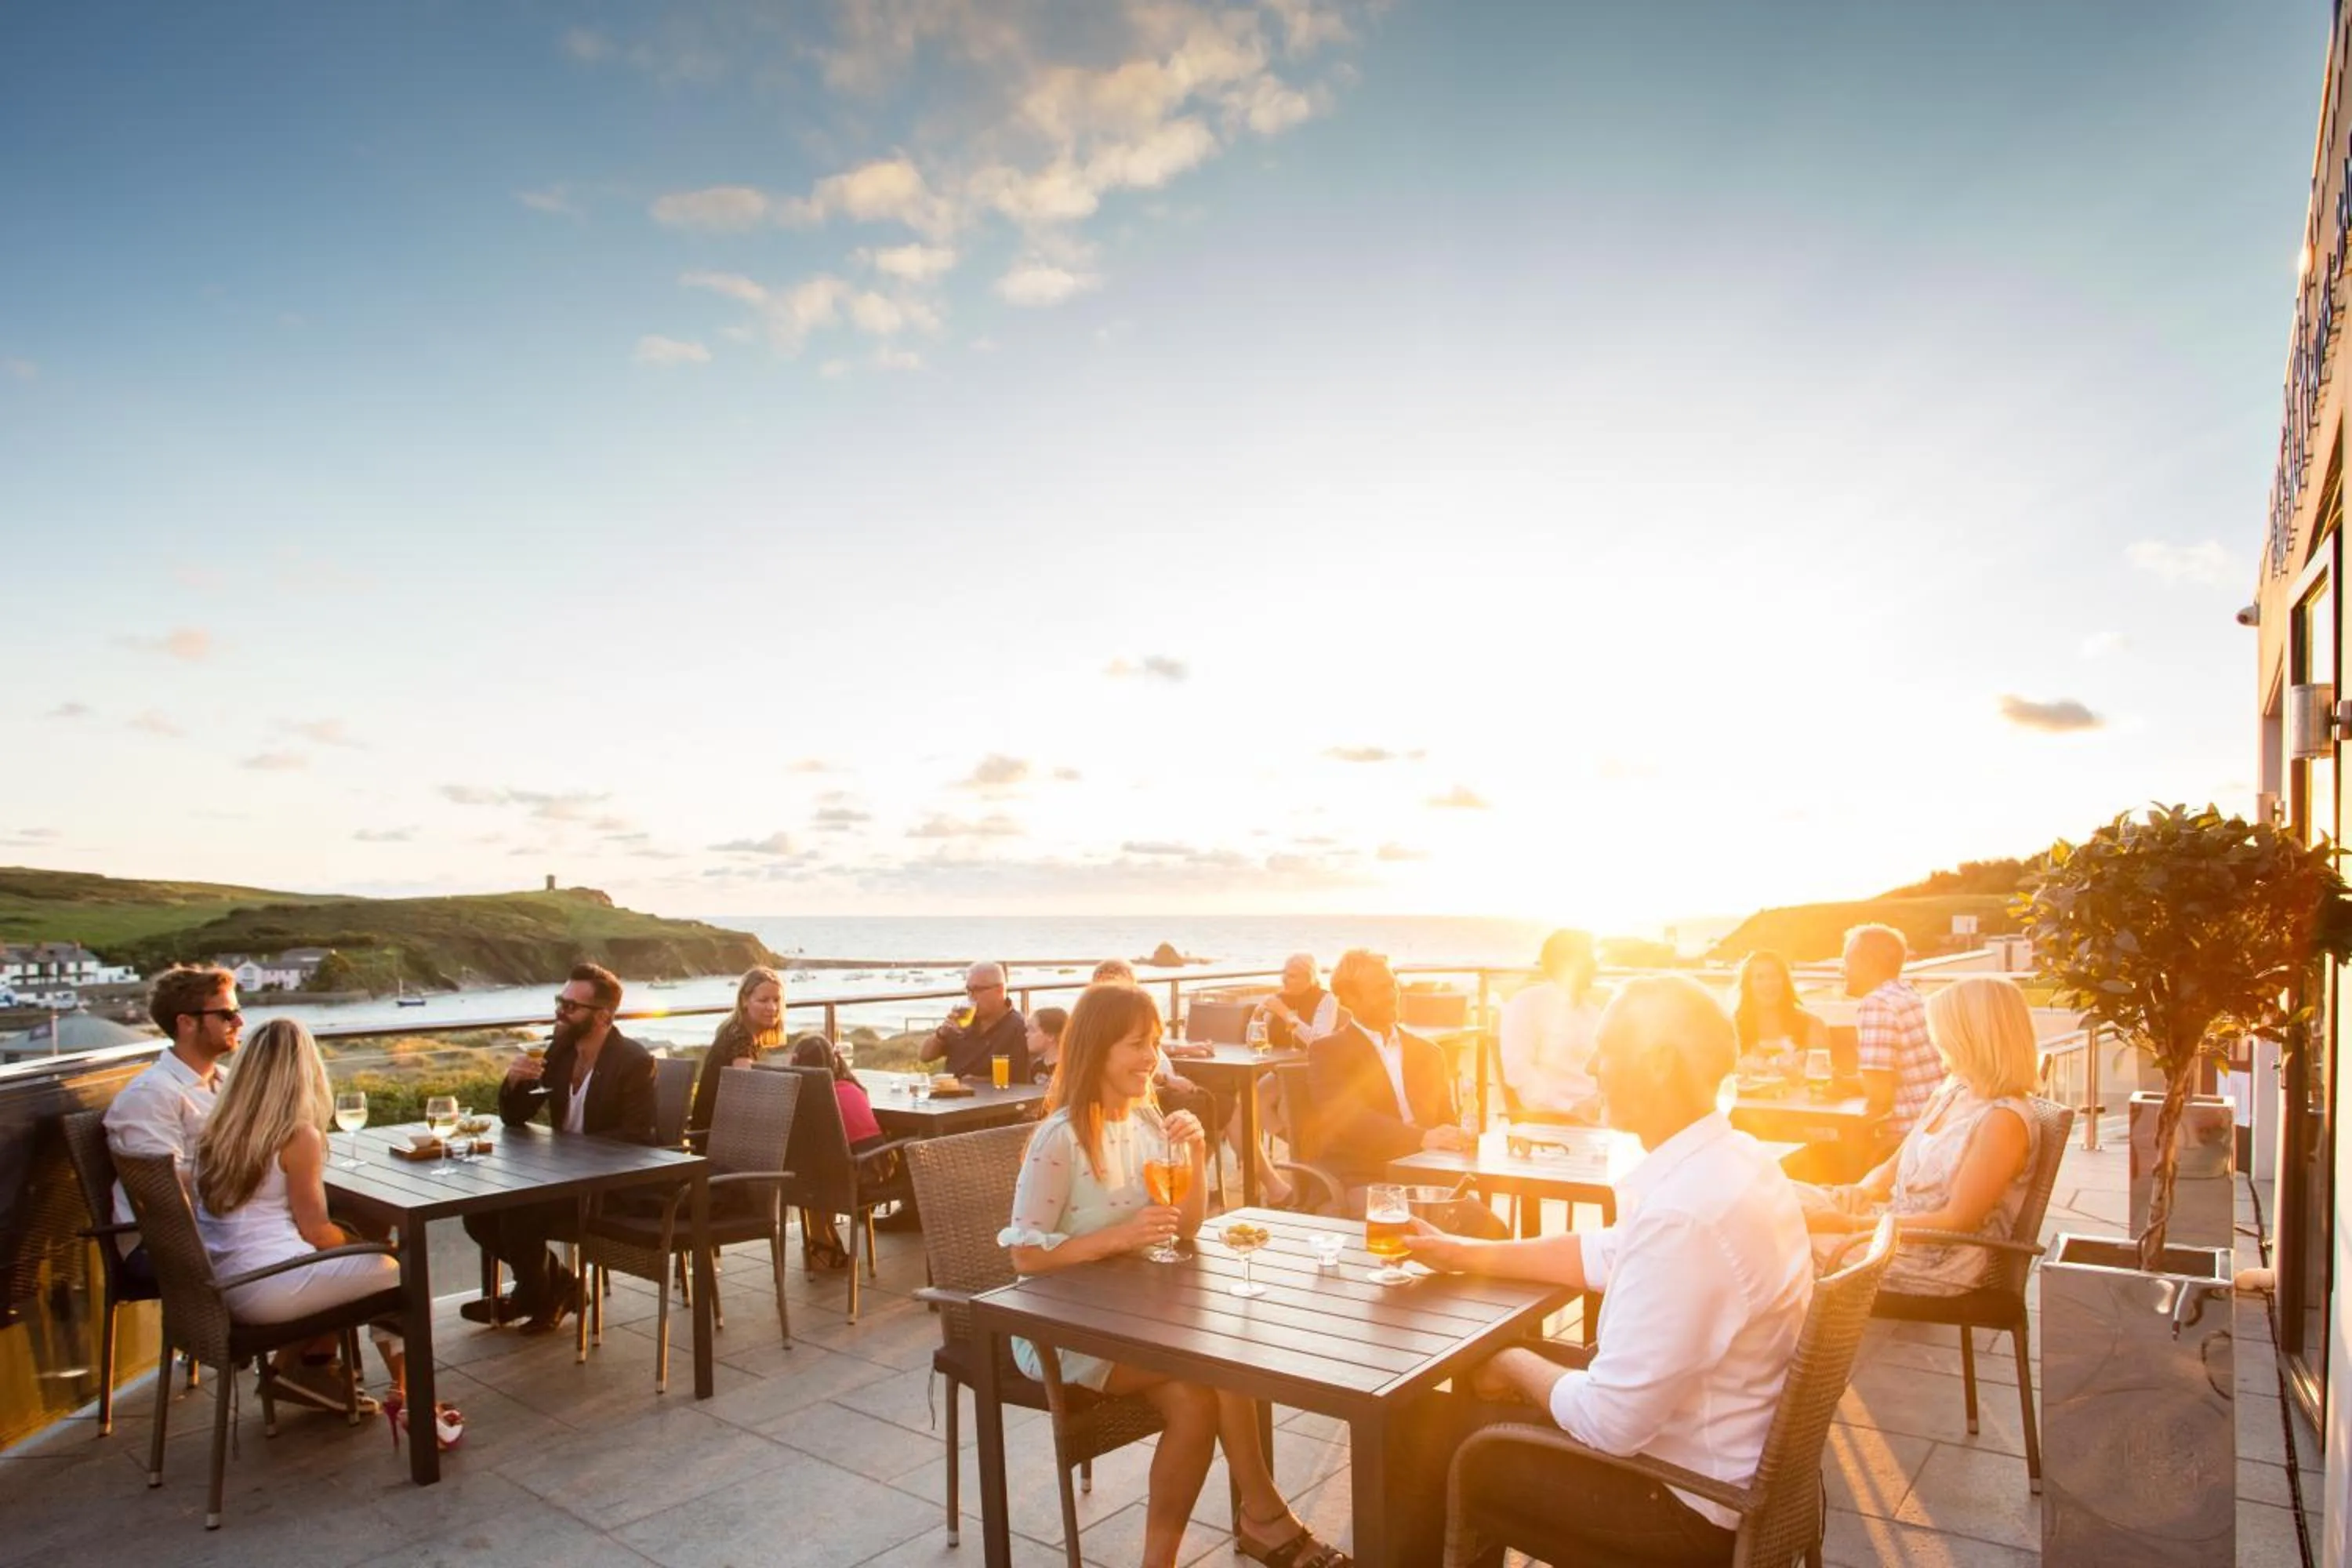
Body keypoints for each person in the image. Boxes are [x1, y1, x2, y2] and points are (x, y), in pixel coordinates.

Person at [1402, 975, 1814, 1568]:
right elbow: (1603, 1252)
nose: (1594, 1068)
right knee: (1471, 1410)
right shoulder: (1735, 1161)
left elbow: (1611, 1423)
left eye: (1607, 1050)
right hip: (1732, 1465)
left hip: (1683, 1510)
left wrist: (1510, 1360)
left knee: (1422, 1436)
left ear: (1658, 1064)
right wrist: (1463, 1252)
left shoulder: (1687, 1215)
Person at [1000, 984, 1349, 1568]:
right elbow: (1025, 1259)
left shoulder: (1145, 1122)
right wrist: (1118, 1238)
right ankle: (1265, 1518)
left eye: (1156, 1043)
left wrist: (1193, 1156)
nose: (1151, 1058)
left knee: (1197, 1394)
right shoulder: (1059, 1138)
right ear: (1096, 1049)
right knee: (1217, 1364)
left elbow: (1183, 1230)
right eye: (1137, 1044)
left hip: (1134, 1319)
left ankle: (1167, 1558)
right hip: (1063, 1330)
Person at [193, 1018, 405, 1414]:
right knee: (397, 1267)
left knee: (366, 1260)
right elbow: (318, 1234)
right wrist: (373, 1248)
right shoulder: (297, 1135)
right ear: (304, 1070)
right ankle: (408, 1394)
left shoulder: (217, 1127)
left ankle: (299, 1371)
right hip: (269, 1288)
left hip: (223, 1283)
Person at [1798, 975, 2039, 1293]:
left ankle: (1793, 1337)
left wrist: (1852, 1225)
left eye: (1941, 1029)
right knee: (1772, 1194)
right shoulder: (1954, 1092)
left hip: (1932, 1258)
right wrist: (1861, 1191)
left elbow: (1957, 1221)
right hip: (1892, 1227)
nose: (1934, 1038)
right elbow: (1891, 1169)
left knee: (1782, 1237)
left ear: (1971, 1035)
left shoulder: (2002, 1121)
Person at [464, 963, 657, 1331]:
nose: (559, 1012)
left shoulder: (632, 1061)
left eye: (570, 1006)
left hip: (608, 1184)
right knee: (478, 1213)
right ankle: (556, 1288)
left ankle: (537, 1296)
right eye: (560, 1001)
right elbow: (515, 1118)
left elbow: (638, 1137)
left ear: (603, 1015)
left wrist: (571, 1152)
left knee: (518, 1213)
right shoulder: (559, 1052)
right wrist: (514, 1082)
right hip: (559, 1178)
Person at [105, 964, 242, 1285]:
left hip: (220, 1224)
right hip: (161, 1246)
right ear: (187, 1023)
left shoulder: (223, 1083)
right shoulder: (151, 1095)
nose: (239, 1022)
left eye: (237, 1011)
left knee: (350, 1229)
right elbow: (163, 1187)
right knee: (313, 1254)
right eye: (226, 1014)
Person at [1307, 949, 1474, 1201]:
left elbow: (1445, 1119)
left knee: (1490, 1228)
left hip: (1427, 1175)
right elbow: (1348, 1120)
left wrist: (1456, 1136)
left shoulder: (1428, 1052)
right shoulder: (1329, 1052)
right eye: (1379, 990)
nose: (1391, 996)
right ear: (1349, 998)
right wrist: (1422, 1138)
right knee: (1412, 1226)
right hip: (1367, 1177)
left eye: (1393, 987)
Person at [789, 1033, 887, 1270]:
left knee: (812, 1165)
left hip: (837, 1181)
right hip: (869, 1173)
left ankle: (821, 1243)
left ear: (795, 1062)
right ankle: (823, 1242)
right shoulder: (851, 1089)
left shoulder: (803, 1098)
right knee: (820, 1163)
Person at [1498, 929, 1607, 1120]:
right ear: (1562, 963)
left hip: (1597, 1115)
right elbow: (1518, 1071)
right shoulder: (1527, 1003)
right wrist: (1569, 1108)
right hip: (1553, 1117)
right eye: (1587, 956)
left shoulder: (1592, 1013)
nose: (1594, 964)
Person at [1845, 924, 1940, 1142]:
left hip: (1908, 1139)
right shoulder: (1909, 995)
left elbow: (1879, 1095)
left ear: (1867, 964)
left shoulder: (1877, 1004)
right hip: (1935, 1127)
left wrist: (1841, 1084)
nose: (1843, 970)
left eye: (1847, 962)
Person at [690, 966, 784, 1135]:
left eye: (776, 1000)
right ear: (744, 1001)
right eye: (763, 1000)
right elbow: (749, 1092)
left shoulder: (734, 1030)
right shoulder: (740, 1039)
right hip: (716, 1138)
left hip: (713, 1131)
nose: (772, 1008)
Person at [920, 960, 1028, 1080]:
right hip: (951, 1095)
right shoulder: (963, 1020)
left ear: (1000, 990)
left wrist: (979, 1082)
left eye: (977, 990)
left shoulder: (1019, 1027)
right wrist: (941, 1034)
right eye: (968, 990)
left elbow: (1020, 1078)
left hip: (992, 1097)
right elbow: (925, 1057)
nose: (971, 996)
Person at [1730, 949, 1827, 1072]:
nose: (1768, 984)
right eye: (1760, 978)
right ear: (1748, 985)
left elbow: (1822, 1074)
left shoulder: (1811, 1025)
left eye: (1774, 976)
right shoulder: (1732, 1028)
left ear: (1785, 982)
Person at [1253, 952, 1339, 1050]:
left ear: (1308, 978)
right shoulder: (1276, 999)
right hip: (1273, 1062)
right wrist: (1257, 1016)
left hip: (1307, 1063)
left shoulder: (1326, 999)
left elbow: (1319, 1043)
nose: (1284, 980)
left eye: (1292, 976)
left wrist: (1285, 1013)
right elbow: (1254, 1043)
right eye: (1284, 974)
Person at [1025, 1004, 1069, 1084]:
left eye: (1032, 1030)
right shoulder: (1037, 1067)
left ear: (1050, 1036)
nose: (1026, 1035)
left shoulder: (1068, 1069)